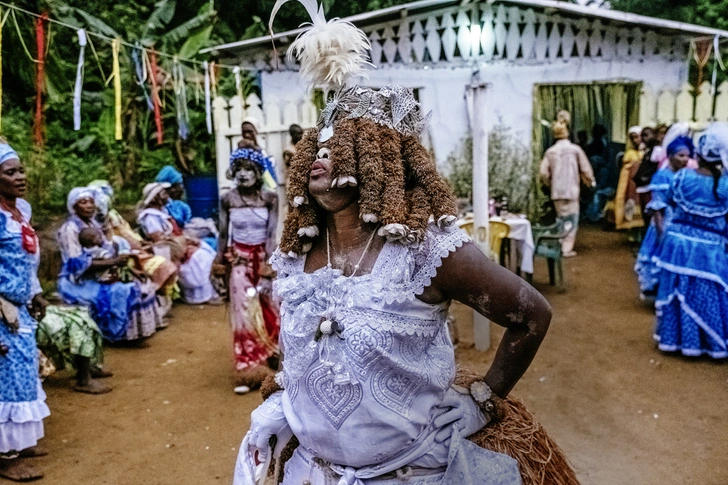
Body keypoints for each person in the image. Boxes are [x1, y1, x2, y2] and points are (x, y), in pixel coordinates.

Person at [234, 4, 567, 483]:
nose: (316, 161)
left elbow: (532, 315)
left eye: (334, 150)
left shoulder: (427, 252)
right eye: (314, 149)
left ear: (377, 159)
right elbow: (305, 350)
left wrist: (485, 398)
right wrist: (291, 396)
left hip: (411, 472)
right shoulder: (296, 252)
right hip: (311, 471)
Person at [652, 124, 728, 358]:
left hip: (678, 244)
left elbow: (667, 204)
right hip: (710, 247)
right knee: (708, 294)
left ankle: (677, 341)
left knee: (678, 293)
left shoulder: (682, 177)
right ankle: (709, 342)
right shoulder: (724, 185)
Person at [0, 141, 51, 481]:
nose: (21, 176)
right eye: (10, 172)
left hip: (19, 306)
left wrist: (36, 294)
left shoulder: (20, 213)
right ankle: (6, 456)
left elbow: (25, 263)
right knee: (6, 381)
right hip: (2, 309)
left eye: (21, 170)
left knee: (22, 373)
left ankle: (19, 441)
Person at [57, 188, 163, 342]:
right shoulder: (70, 229)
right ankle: (118, 334)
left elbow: (109, 250)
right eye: (83, 202)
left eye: (91, 201)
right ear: (73, 207)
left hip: (102, 271)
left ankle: (134, 332)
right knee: (123, 290)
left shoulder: (92, 223)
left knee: (140, 284)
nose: (89, 205)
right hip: (79, 280)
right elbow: (76, 264)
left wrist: (132, 270)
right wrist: (114, 262)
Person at [217, 147, 280, 394]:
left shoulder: (270, 198)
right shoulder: (228, 199)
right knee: (243, 313)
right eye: (239, 169)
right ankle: (248, 368)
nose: (243, 175)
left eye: (249, 169)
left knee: (270, 308)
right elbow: (223, 235)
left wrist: (267, 270)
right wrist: (218, 265)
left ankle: (272, 352)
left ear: (258, 172)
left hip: (262, 260)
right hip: (239, 263)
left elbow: (271, 236)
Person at [88, 180, 178, 296]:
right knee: (165, 265)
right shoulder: (97, 221)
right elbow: (115, 240)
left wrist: (142, 243)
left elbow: (128, 232)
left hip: (133, 249)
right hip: (122, 254)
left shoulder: (113, 214)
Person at [137, 183, 219, 305]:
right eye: (163, 194)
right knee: (200, 257)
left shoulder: (161, 212)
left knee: (206, 248)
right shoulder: (151, 217)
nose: (167, 196)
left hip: (177, 243)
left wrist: (186, 238)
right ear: (155, 198)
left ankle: (207, 292)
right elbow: (159, 239)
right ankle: (198, 295)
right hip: (168, 247)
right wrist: (183, 240)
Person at [634, 136, 693, 300]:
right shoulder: (662, 176)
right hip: (665, 223)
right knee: (660, 258)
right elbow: (657, 208)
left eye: (687, 156)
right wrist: (661, 232)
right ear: (671, 156)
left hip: (679, 224)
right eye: (681, 155)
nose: (685, 159)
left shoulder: (686, 176)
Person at [539, 120, 596, 257]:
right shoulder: (575, 150)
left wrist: (550, 183)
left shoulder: (550, 152)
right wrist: (591, 181)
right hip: (572, 190)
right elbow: (585, 169)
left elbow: (543, 173)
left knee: (561, 218)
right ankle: (566, 248)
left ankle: (559, 242)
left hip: (557, 191)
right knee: (572, 219)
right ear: (568, 133)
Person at [612, 126, 645, 235]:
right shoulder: (629, 153)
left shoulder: (647, 152)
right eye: (633, 138)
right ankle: (633, 234)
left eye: (637, 137)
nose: (636, 140)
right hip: (631, 185)